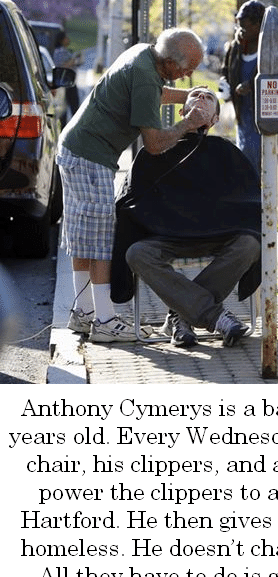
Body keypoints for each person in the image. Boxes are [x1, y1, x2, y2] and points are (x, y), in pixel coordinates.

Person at [56, 28, 209, 343]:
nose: (189, 74)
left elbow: (156, 93)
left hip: (75, 149)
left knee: (83, 234)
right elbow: (153, 144)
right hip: (90, 156)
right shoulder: (144, 76)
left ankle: (84, 312)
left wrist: (191, 98)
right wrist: (187, 124)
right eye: (187, 69)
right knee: (99, 239)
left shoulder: (144, 54)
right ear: (168, 61)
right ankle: (105, 320)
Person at [111, 87, 261, 348]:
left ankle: (181, 316)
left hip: (218, 235)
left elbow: (249, 200)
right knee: (136, 253)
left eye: (209, 97)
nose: (202, 98)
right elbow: (130, 199)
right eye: (196, 95)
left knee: (250, 244)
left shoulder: (227, 153)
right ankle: (214, 316)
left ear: (214, 119)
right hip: (166, 236)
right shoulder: (155, 150)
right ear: (182, 111)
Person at [219, 0, 278, 174]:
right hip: (243, 118)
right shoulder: (235, 48)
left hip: (266, 119)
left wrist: (252, 86)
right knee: (244, 163)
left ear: (259, 25)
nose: (240, 31)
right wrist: (225, 84)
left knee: (265, 166)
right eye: (238, 25)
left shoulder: (277, 51)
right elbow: (226, 69)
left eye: (244, 26)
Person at [53, 31, 82, 127]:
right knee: (70, 107)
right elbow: (62, 66)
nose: (68, 40)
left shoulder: (65, 51)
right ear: (62, 40)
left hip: (68, 82)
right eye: (66, 38)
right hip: (66, 82)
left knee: (68, 107)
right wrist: (73, 60)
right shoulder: (60, 52)